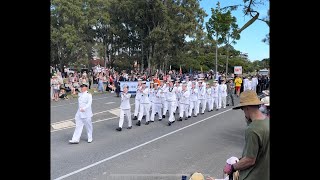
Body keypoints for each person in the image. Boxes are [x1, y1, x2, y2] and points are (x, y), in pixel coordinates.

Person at [223, 90, 269, 180]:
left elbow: (250, 160)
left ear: (247, 108)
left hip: (254, 176)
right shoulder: (267, 122)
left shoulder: (253, 129)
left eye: (242, 108)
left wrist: (232, 167)